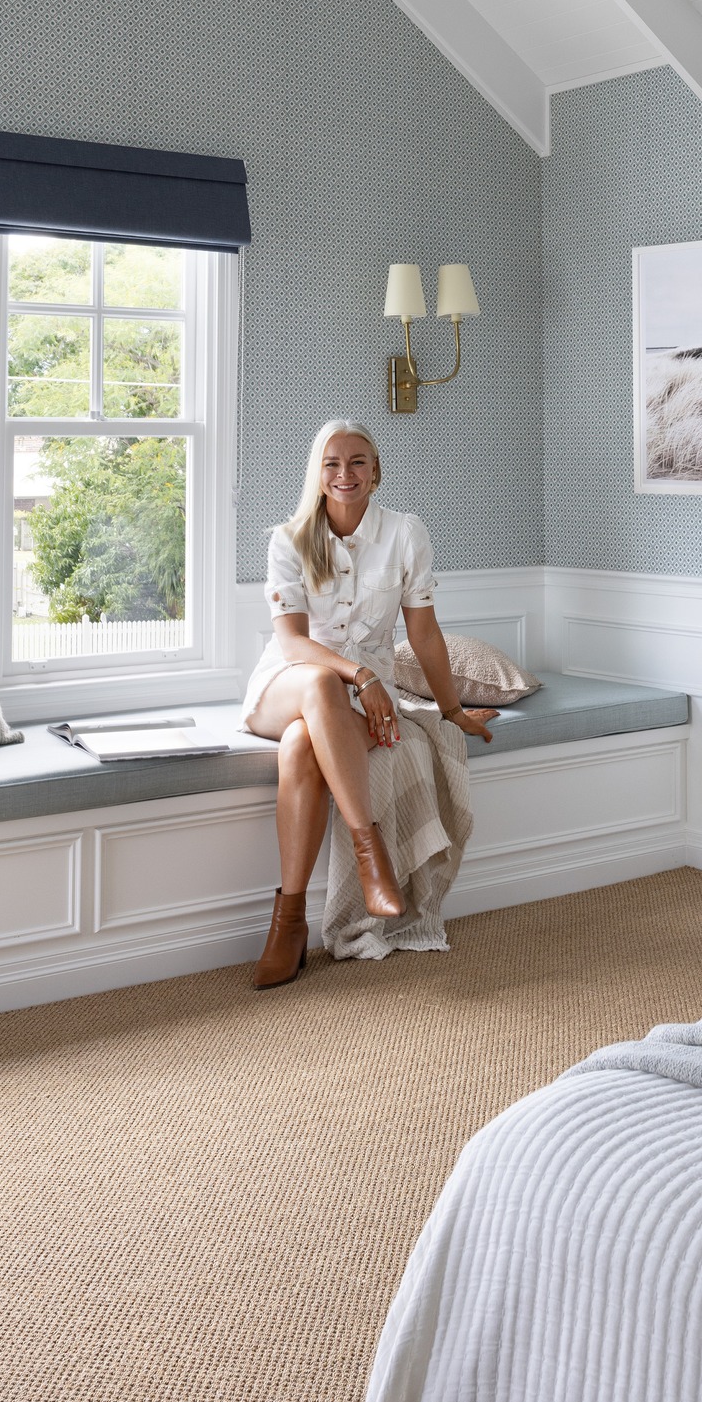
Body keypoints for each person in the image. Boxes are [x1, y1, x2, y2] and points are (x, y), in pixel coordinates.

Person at [243, 420, 497, 989]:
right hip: (287, 685)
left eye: (357, 462)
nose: (344, 474)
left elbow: (426, 634)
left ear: (376, 471)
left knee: (304, 746)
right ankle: (370, 849)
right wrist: (358, 674)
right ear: (317, 474)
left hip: (354, 701)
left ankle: (287, 926)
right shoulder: (289, 539)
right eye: (331, 464)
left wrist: (451, 710)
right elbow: (292, 643)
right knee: (318, 686)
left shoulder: (406, 534)